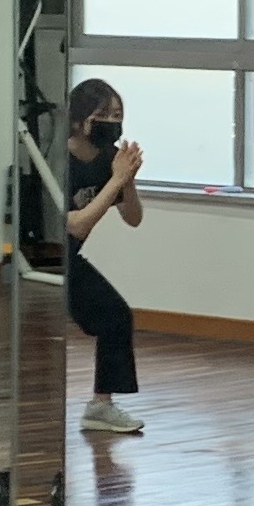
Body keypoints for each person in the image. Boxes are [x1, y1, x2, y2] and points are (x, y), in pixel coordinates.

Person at [62, 77, 146, 438]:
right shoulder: (56, 158)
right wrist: (116, 180)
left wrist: (127, 181)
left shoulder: (110, 160)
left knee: (116, 316)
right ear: (79, 120)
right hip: (41, 258)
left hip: (69, 259)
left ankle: (101, 405)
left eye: (117, 115)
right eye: (104, 114)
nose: (112, 122)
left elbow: (133, 218)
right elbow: (76, 225)